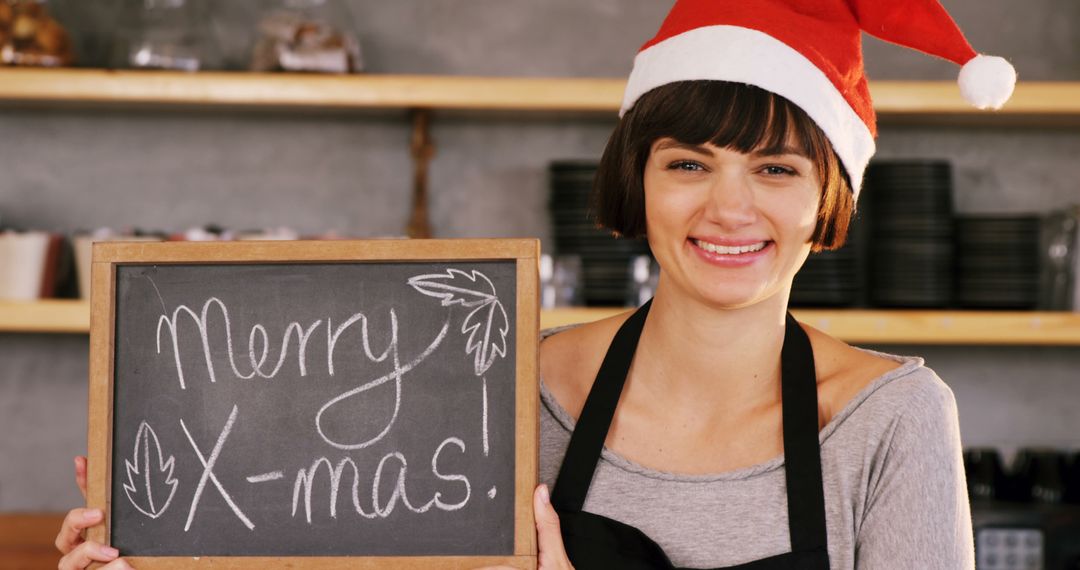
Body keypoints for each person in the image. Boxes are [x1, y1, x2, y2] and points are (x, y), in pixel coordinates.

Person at [56, 0, 1017, 568]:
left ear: (825, 200)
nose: (730, 209)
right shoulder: (503, 393)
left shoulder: (893, 420)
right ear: (636, 184)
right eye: (688, 164)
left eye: (775, 171)